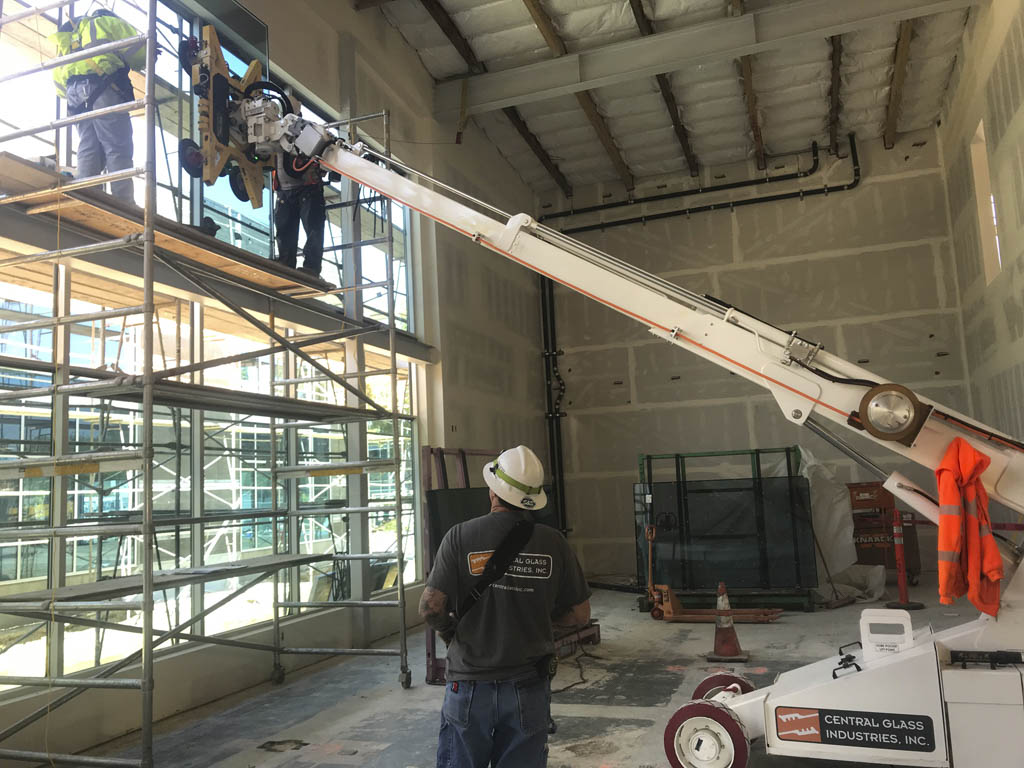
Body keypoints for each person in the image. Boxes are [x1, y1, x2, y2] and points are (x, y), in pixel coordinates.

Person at [419, 445, 591, 768]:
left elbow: (430, 607)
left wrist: (450, 634)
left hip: (469, 685)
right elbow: (580, 615)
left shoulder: (459, 537)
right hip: (528, 687)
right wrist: (540, 621)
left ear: (493, 493)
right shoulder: (555, 544)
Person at [51, 10, 146, 202]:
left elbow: (59, 83)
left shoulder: (69, 37)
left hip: (74, 96)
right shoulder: (106, 23)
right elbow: (141, 55)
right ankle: (124, 204)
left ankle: (87, 197)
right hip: (103, 88)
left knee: (88, 145)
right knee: (117, 146)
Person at [273, 90, 326, 278]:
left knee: (312, 229)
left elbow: (321, 152)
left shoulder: (306, 130)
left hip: (307, 189)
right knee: (285, 230)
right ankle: (286, 263)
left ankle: (311, 267)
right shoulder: (275, 129)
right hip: (285, 191)